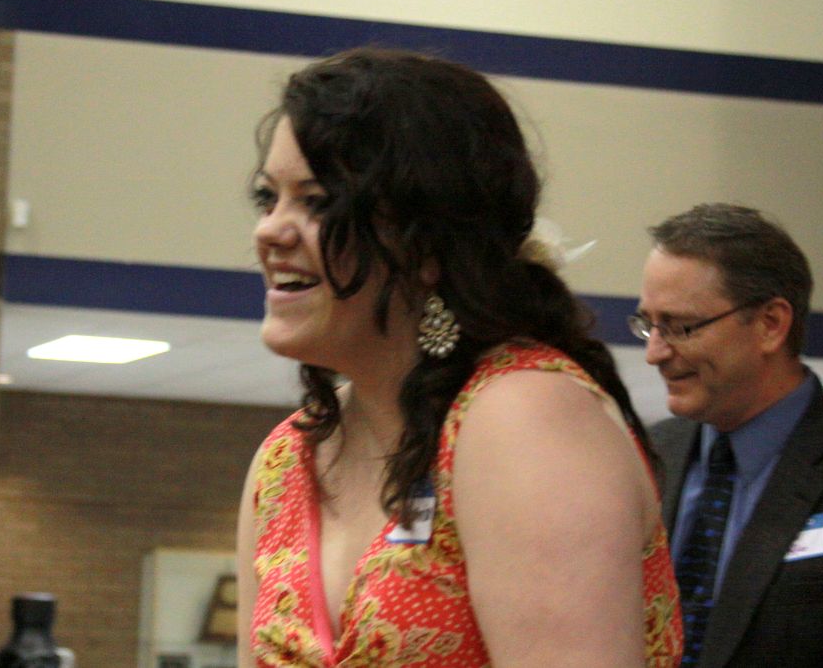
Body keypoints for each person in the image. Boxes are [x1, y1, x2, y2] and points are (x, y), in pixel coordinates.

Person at [236, 47, 682, 667]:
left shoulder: (523, 418)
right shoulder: (286, 461)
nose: (269, 231)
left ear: (426, 242)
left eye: (317, 202)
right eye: (268, 199)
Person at [632, 203, 823, 667]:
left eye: (680, 327)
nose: (655, 353)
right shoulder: (646, 456)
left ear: (771, 324)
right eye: (648, 325)